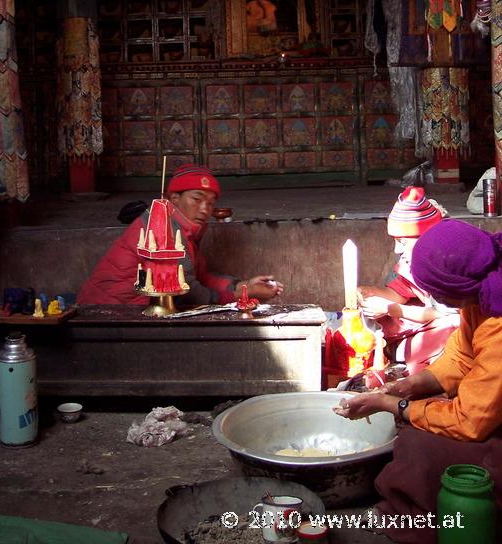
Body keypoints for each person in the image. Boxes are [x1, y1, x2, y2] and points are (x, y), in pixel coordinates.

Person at [335, 219, 502, 542]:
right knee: (417, 424)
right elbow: (462, 356)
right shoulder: (480, 291)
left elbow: (470, 421)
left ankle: (412, 517)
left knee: (419, 448)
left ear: (453, 288)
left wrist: (391, 404)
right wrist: (409, 387)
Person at [77, 164, 284, 306]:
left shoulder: (185, 228)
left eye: (211, 203)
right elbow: (187, 293)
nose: (205, 209)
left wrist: (244, 284)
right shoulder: (161, 225)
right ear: (175, 198)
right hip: (108, 312)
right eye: (197, 199)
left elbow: (201, 276)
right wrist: (242, 295)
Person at [358, 186, 460, 374]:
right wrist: (371, 293)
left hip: (455, 321)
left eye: (403, 242)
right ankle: (405, 351)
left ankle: (417, 357)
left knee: (450, 327)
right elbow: (401, 292)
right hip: (429, 318)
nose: (397, 250)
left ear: (425, 238)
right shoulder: (412, 259)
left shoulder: (448, 261)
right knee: (378, 319)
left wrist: (392, 309)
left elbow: (445, 314)